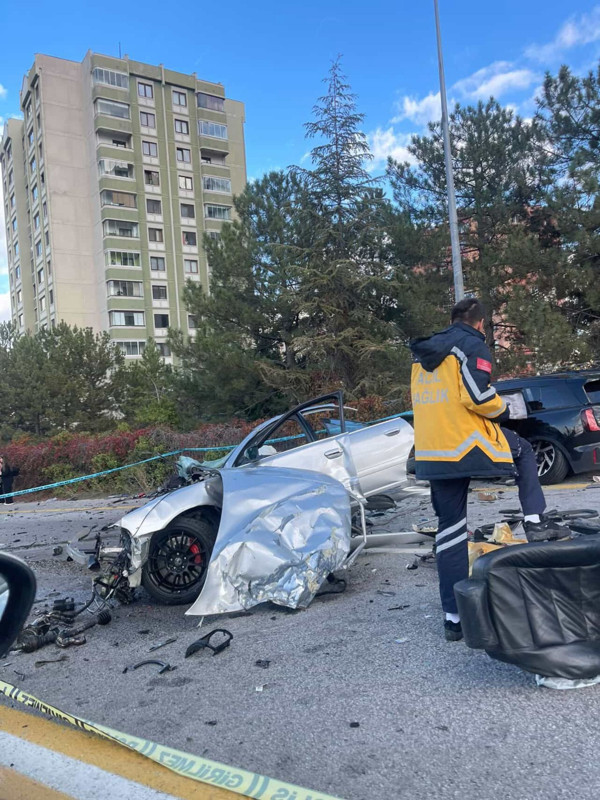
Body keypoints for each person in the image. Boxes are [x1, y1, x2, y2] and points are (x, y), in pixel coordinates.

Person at [410, 298, 566, 641]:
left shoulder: (425, 353)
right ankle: (536, 523)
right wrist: (507, 410)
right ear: (481, 324)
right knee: (524, 451)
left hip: (434, 450)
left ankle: (454, 618)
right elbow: (478, 397)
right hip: (468, 443)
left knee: (450, 531)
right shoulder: (470, 345)